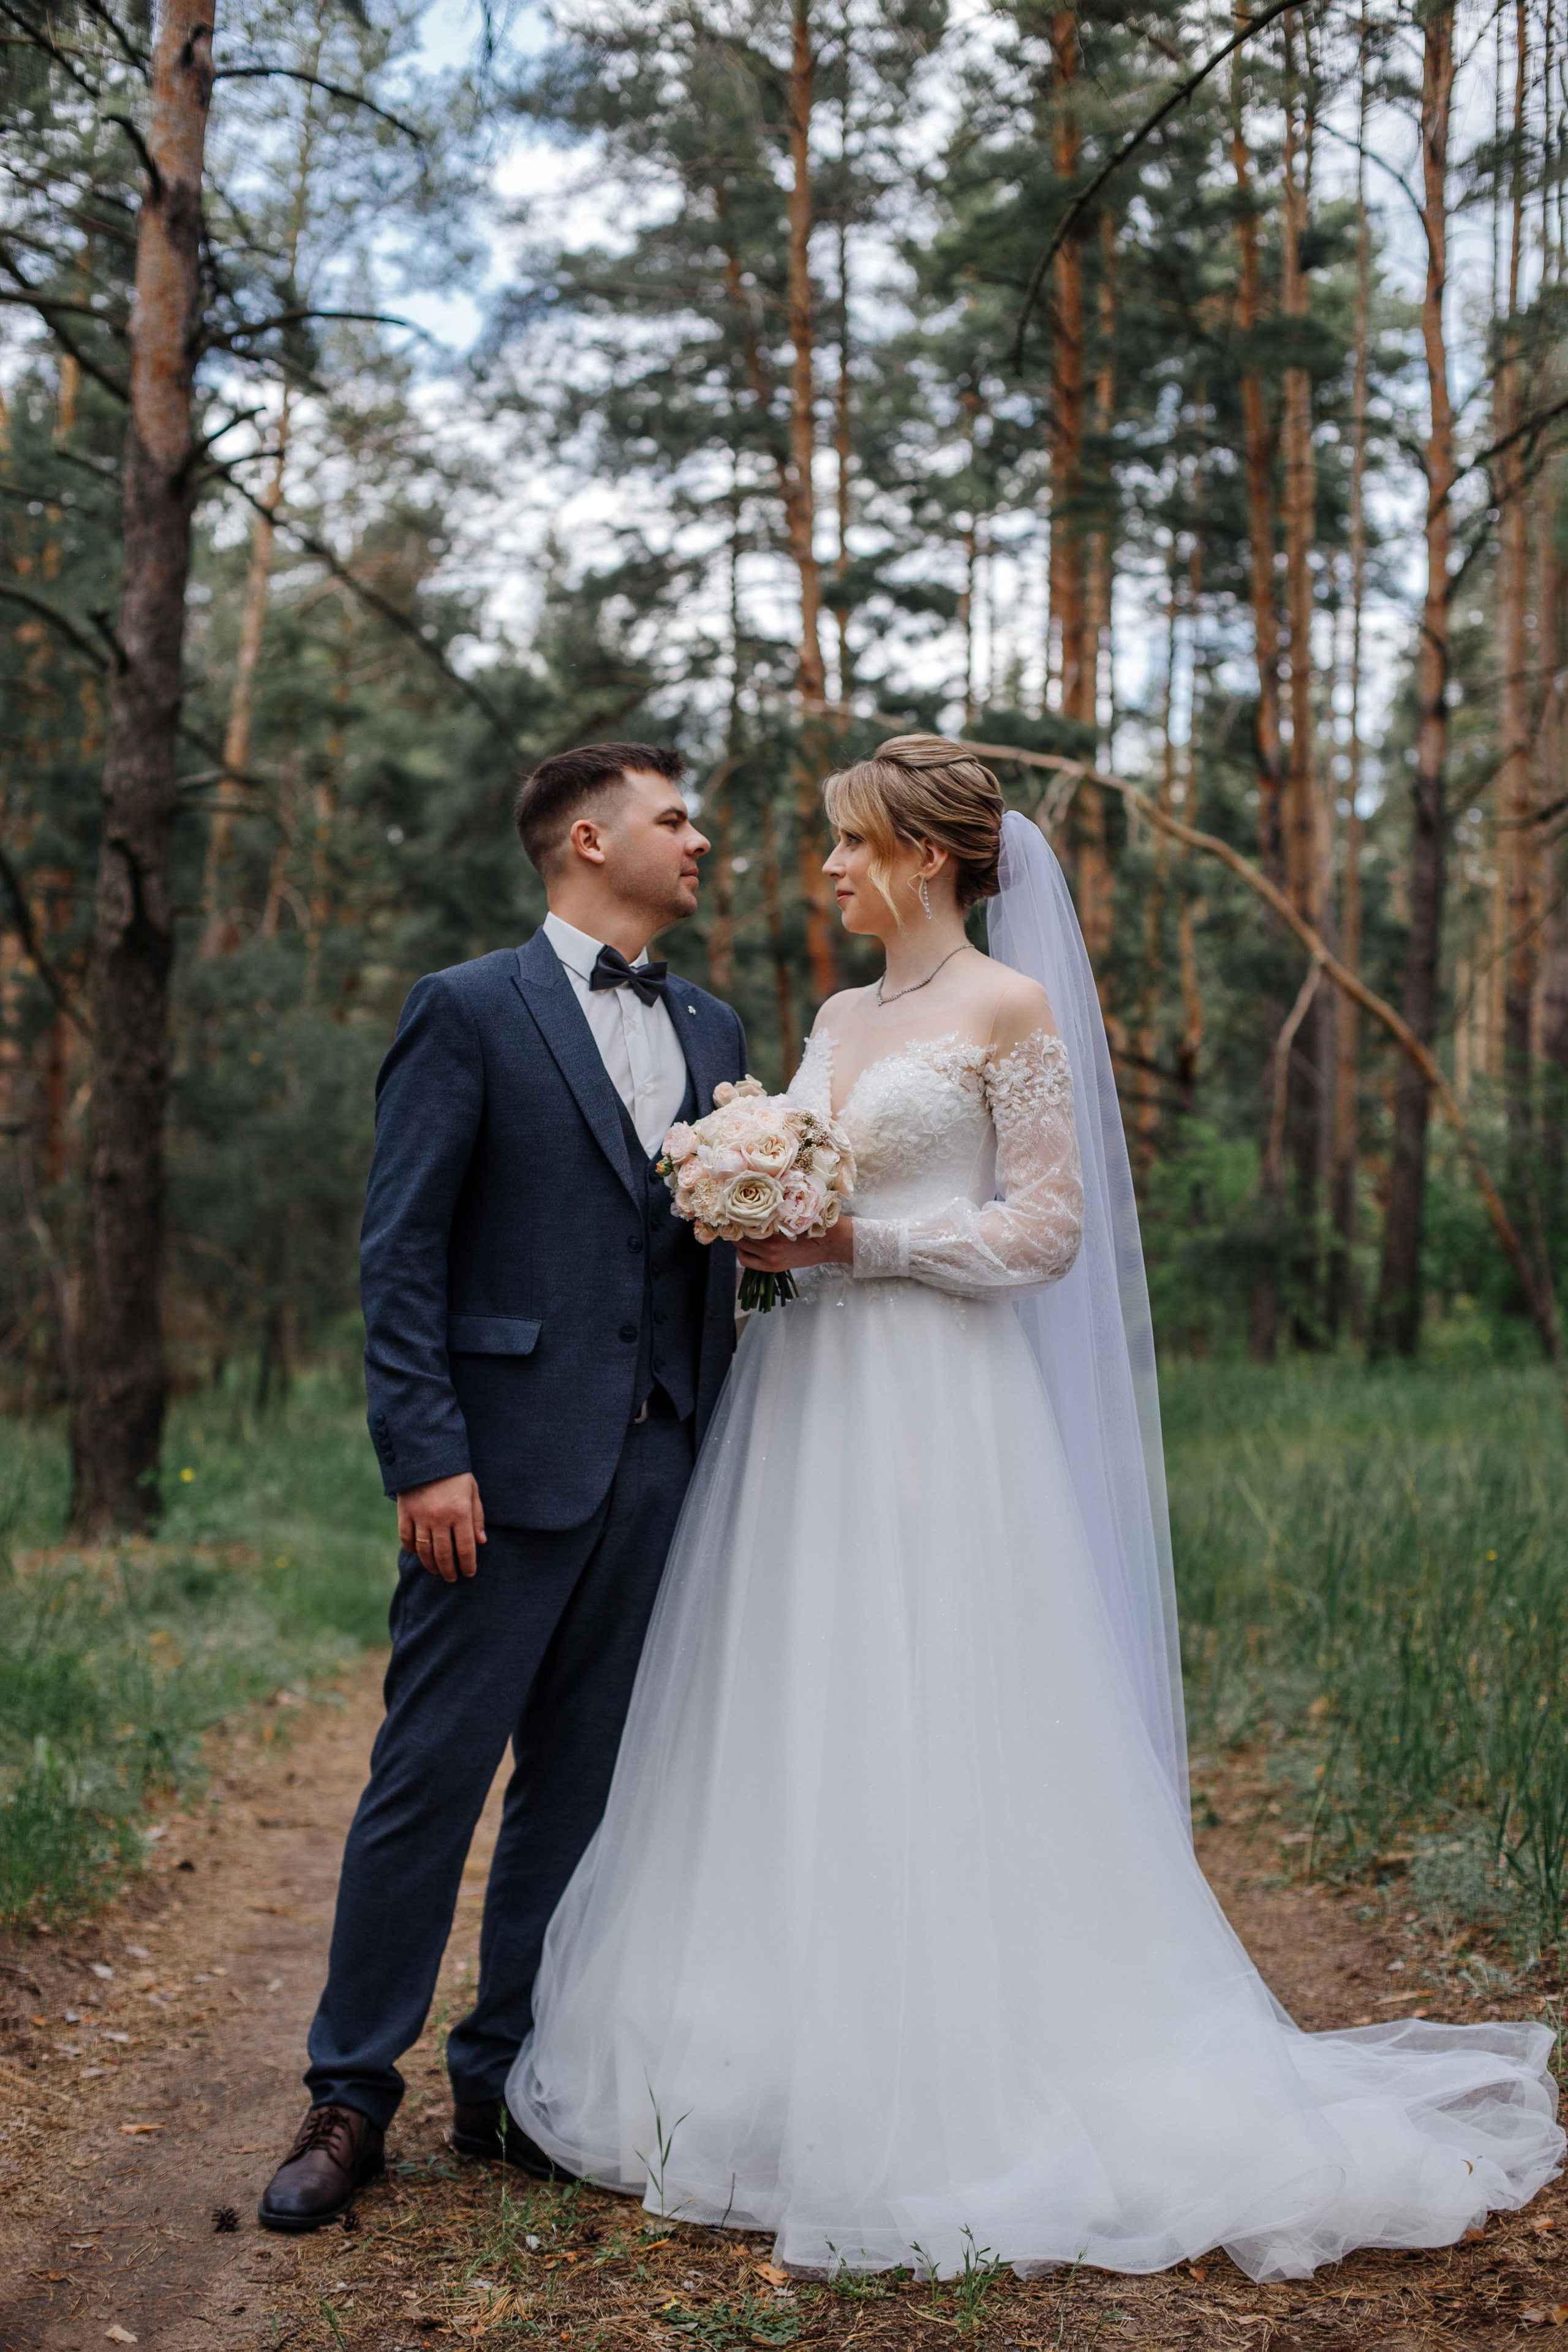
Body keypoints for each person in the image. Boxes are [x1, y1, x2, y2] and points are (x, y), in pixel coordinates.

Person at [506, 735, 1563, 2283]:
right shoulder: (835, 1013)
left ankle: (965, 2064)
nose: (826, 871)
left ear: (923, 857)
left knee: (945, 1701)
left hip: (940, 1401)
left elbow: (1048, 1231)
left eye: (848, 846)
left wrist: (858, 1243)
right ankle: (783, 2054)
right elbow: (792, 1184)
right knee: (806, 1699)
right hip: (809, 1405)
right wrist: (756, 1199)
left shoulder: (1008, 1010)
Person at [258, 744, 748, 2231]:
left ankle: (510, 2081)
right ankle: (350, 2092)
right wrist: (426, 1452)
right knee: (428, 1780)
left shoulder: (717, 1027)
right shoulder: (466, 1010)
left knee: (582, 1792)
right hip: (493, 1470)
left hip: (660, 1458)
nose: (701, 841)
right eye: (676, 819)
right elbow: (398, 1252)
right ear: (589, 839)